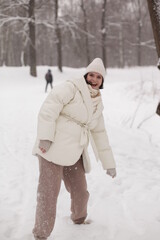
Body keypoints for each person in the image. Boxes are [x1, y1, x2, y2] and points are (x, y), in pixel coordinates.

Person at [32, 58, 116, 240]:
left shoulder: (97, 104)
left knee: (80, 191)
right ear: (86, 75)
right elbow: (49, 107)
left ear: (102, 82)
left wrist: (109, 164)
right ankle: (40, 234)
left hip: (75, 152)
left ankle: (79, 219)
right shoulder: (71, 87)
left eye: (98, 77)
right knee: (48, 194)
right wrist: (45, 137)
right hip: (52, 148)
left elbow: (100, 134)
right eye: (91, 75)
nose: (94, 79)